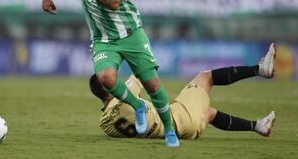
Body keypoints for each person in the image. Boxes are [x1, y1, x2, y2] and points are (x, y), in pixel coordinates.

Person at [42, 0, 178, 146]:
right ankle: (138, 105)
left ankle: (170, 129)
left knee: (152, 84)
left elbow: (114, 2)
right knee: (105, 78)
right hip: (103, 39)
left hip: (131, 34)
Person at [89, 43, 276, 141]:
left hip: (184, 131)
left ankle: (258, 126)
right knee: (205, 77)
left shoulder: (104, 124)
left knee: (208, 113)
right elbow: (141, 73)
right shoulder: (125, 94)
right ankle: (260, 70)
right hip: (177, 118)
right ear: (108, 85)